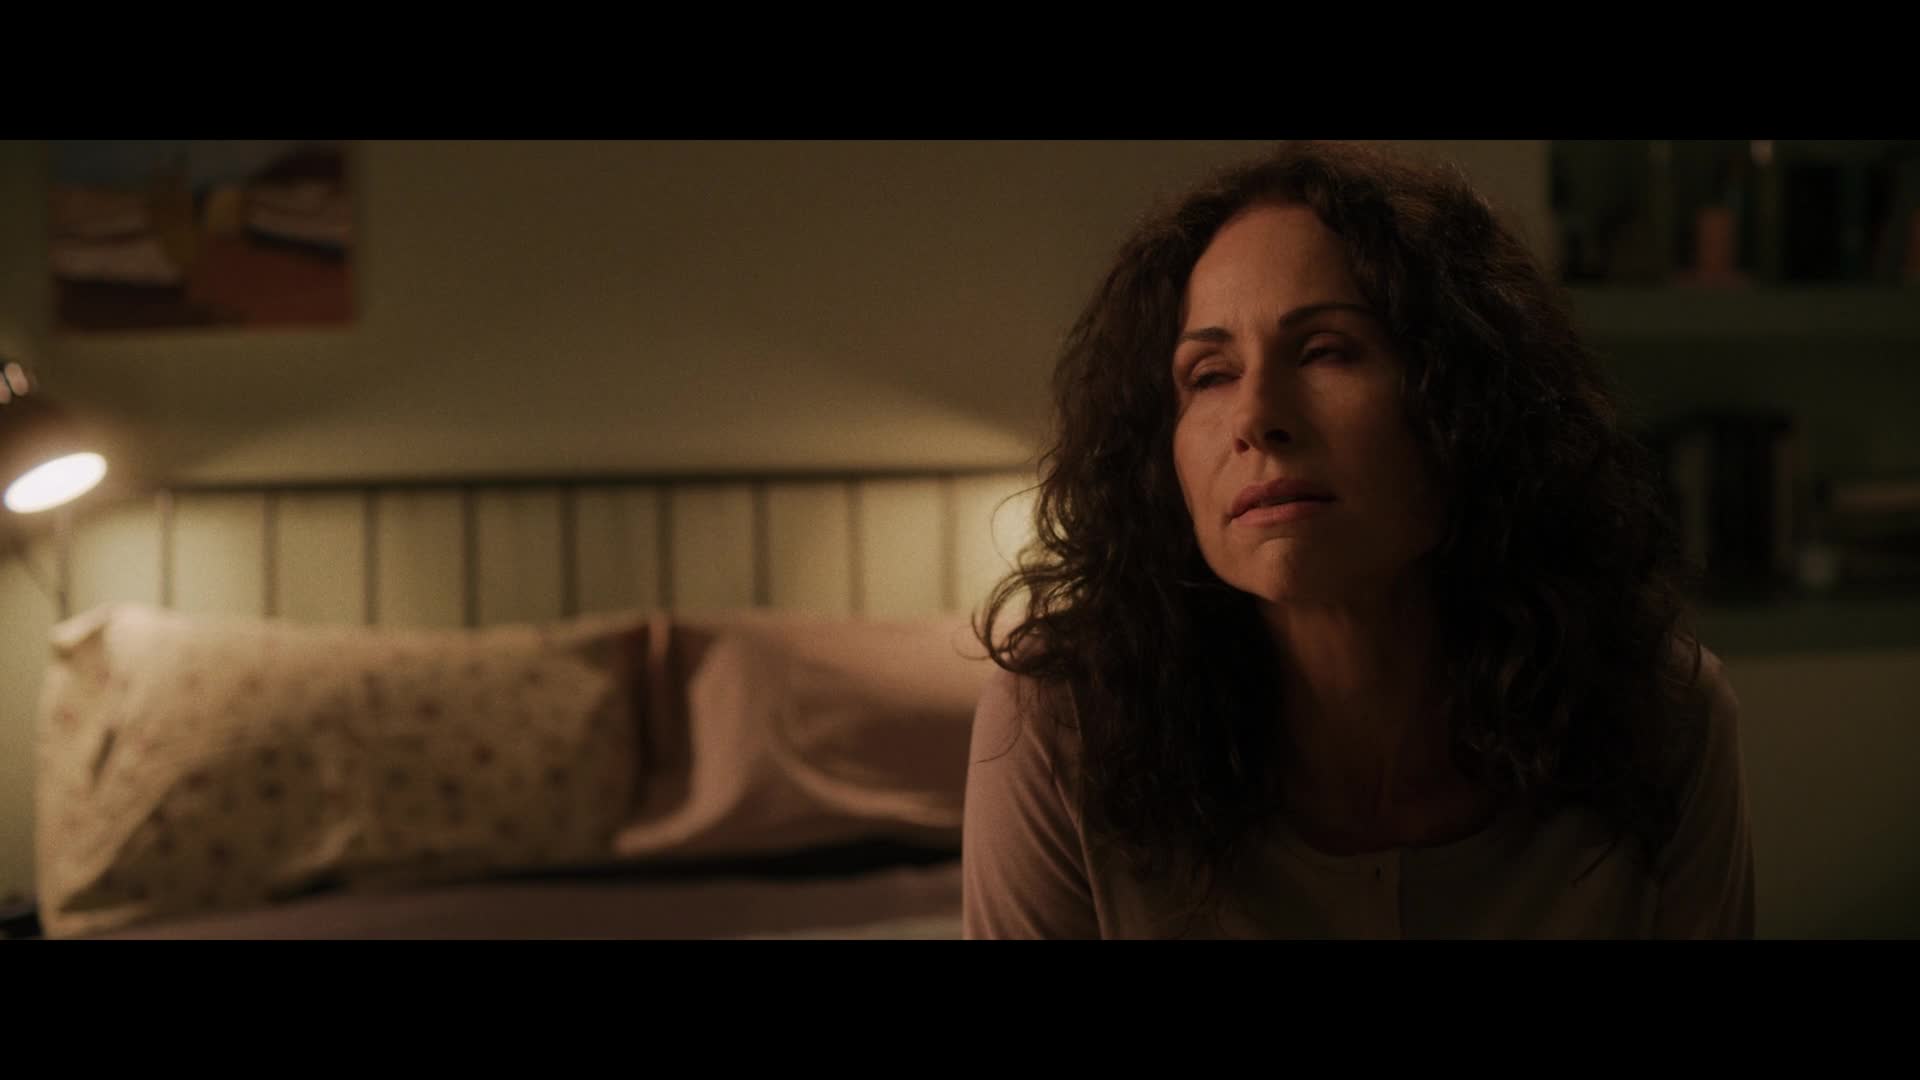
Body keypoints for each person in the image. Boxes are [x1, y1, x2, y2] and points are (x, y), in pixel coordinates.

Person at [962, 141, 1755, 939]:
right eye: (1209, 374)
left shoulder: (1660, 719)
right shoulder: (1064, 728)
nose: (1255, 418)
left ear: (1463, 400)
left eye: (1326, 351)